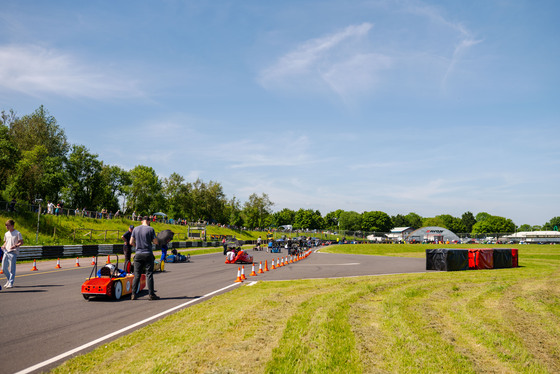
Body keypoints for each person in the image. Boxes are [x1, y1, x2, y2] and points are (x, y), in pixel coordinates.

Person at [130, 216, 159, 300]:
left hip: (138, 254)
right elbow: (155, 241)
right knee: (149, 274)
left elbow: (131, 242)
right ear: (149, 221)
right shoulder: (151, 229)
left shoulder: (135, 229)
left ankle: (133, 294)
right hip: (148, 253)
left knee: (137, 275)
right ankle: (151, 294)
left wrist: (137, 246)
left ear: (141, 221)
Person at [2, 219, 23, 289]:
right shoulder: (6, 234)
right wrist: (4, 245)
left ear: (12, 226)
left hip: (13, 252)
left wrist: (16, 245)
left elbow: (21, 242)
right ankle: (9, 280)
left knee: (12, 269)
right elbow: (5, 242)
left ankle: (10, 282)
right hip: (6, 252)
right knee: (3, 268)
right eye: (6, 225)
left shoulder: (17, 233)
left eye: (8, 225)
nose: (7, 226)